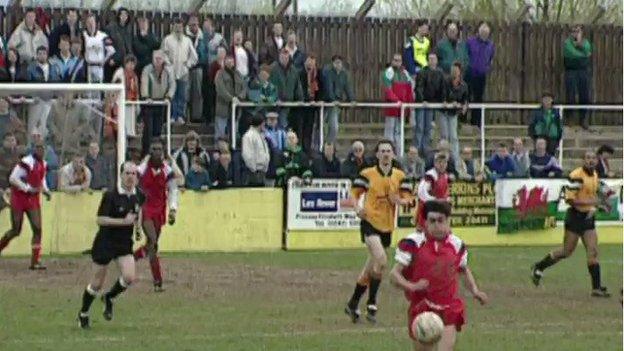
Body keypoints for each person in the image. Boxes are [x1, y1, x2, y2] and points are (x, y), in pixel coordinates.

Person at [390, 200, 488, 351]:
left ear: (449, 221)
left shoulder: (457, 245)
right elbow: (394, 275)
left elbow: (462, 270)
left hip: (449, 307)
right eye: (432, 221)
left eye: (441, 220)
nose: (437, 225)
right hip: (422, 307)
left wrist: (475, 291)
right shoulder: (413, 243)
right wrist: (412, 286)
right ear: (425, 223)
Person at [343, 140, 413, 324]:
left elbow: (409, 200)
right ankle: (372, 303)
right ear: (377, 155)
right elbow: (353, 194)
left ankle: (352, 303)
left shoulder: (399, 175)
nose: (386, 154)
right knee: (381, 260)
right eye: (382, 151)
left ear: (394, 154)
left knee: (369, 271)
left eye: (389, 151)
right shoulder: (367, 174)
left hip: (387, 226)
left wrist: (397, 199)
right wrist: (357, 209)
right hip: (370, 222)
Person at [531, 151, 611, 297]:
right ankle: (539, 266)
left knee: (593, 252)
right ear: (583, 160)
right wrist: (596, 203)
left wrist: (603, 203)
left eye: (593, 158)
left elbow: (595, 194)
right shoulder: (576, 175)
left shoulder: (594, 175)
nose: (591, 161)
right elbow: (571, 201)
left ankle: (596, 288)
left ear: (597, 161)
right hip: (575, 218)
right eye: (588, 158)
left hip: (587, 219)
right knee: (566, 252)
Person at [77, 161, 143, 329]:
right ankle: (83, 313)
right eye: (127, 173)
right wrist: (123, 222)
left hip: (123, 243)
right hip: (105, 242)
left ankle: (109, 297)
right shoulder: (110, 196)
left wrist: (137, 227)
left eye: (133, 174)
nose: (130, 177)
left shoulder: (139, 195)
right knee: (97, 283)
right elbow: (100, 219)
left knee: (129, 277)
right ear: (120, 175)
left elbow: (138, 210)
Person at [133, 139, 180, 292]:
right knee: (153, 241)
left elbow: (173, 190)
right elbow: (134, 185)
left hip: (160, 209)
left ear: (163, 151)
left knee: (151, 245)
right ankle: (157, 280)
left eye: (160, 149)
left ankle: (133, 257)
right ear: (150, 151)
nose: (157, 152)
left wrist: (173, 209)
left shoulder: (167, 170)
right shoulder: (141, 170)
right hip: (146, 208)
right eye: (154, 149)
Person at [0, 139, 51, 269]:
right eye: (38, 148)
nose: (41, 151)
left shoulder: (43, 164)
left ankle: (35, 261)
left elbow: (41, 179)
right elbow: (13, 178)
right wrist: (27, 188)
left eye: (43, 148)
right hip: (19, 197)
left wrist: (46, 191)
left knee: (37, 228)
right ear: (34, 149)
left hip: (33, 199)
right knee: (16, 229)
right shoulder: (26, 162)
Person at [161, 17, 198, 125]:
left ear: (183, 27)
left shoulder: (187, 40)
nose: (178, 29)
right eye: (176, 27)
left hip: (183, 72)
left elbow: (194, 57)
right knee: (172, 94)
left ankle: (181, 115)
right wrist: (168, 64)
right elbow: (163, 54)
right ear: (173, 27)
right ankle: (172, 115)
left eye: (180, 27)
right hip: (171, 71)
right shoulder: (167, 40)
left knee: (182, 95)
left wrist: (188, 65)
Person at [140, 50, 176, 155]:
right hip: (150, 103)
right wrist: (146, 97)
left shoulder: (168, 70)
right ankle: (146, 153)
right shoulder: (147, 69)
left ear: (163, 59)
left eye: (159, 58)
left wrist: (168, 97)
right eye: (155, 58)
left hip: (162, 102)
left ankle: (156, 152)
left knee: (158, 129)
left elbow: (172, 84)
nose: (157, 61)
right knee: (148, 130)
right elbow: (144, 82)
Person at [382, 53, 414, 156]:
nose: (397, 62)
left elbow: (410, 90)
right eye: (395, 60)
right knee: (389, 132)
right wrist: (396, 101)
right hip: (392, 108)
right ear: (392, 61)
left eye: (399, 60)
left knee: (399, 132)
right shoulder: (388, 72)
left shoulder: (405, 74)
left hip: (402, 108)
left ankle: (399, 154)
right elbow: (388, 90)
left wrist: (409, 105)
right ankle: (388, 153)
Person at [414, 53, 445, 158]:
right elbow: (419, 87)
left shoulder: (440, 73)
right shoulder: (422, 72)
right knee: (420, 127)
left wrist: (441, 101)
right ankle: (417, 150)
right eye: (430, 59)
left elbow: (442, 88)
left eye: (434, 59)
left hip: (432, 104)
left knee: (428, 128)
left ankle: (425, 150)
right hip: (422, 104)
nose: (432, 61)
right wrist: (422, 100)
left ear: (436, 60)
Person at [466, 21, 495, 128]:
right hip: (470, 73)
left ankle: (476, 122)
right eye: (482, 32)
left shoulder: (490, 45)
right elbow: (466, 54)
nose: (484, 34)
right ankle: (464, 120)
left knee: (478, 98)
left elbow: (490, 58)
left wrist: (486, 68)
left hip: (481, 75)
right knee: (467, 95)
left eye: (486, 33)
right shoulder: (471, 42)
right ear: (478, 31)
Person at [563, 25, 592, 130]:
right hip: (571, 70)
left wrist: (580, 45)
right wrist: (583, 53)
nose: (575, 33)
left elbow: (588, 53)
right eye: (573, 31)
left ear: (581, 32)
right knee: (570, 94)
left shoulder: (586, 43)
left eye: (577, 31)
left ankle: (583, 118)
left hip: (583, 71)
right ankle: (570, 117)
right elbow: (572, 53)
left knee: (584, 95)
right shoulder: (567, 43)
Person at [321, 55, 354, 144]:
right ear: (332, 63)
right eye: (336, 63)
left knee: (334, 127)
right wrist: (332, 99)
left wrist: (351, 100)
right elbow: (329, 87)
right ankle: (320, 145)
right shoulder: (328, 72)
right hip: (325, 102)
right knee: (320, 126)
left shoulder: (344, 74)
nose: (337, 65)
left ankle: (329, 144)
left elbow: (348, 87)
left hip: (336, 104)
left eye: (339, 63)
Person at [441, 61, 469, 164]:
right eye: (453, 70)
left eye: (457, 70)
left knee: (453, 136)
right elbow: (443, 95)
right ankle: (443, 157)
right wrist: (447, 102)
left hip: (453, 113)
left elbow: (465, 98)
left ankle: (455, 159)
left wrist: (464, 105)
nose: (455, 72)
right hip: (445, 112)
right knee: (445, 135)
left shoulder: (463, 85)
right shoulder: (446, 81)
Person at [416, 152, 451, 231]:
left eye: (444, 162)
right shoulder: (430, 176)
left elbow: (445, 191)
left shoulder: (445, 175)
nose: (442, 164)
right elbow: (421, 193)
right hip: (427, 210)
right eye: (439, 162)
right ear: (435, 163)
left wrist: (447, 199)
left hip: (440, 209)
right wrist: (435, 200)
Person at [214, 54, 246, 140]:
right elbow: (220, 89)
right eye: (227, 60)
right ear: (224, 61)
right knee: (220, 132)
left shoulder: (238, 74)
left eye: (231, 60)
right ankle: (218, 149)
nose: (230, 62)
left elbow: (244, 88)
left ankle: (232, 149)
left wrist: (239, 97)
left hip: (236, 108)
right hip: (223, 107)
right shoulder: (220, 73)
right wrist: (231, 98)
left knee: (234, 132)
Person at [270, 49, 303, 129]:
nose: (284, 59)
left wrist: (300, 99)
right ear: (279, 57)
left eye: (286, 58)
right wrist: (275, 99)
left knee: (285, 124)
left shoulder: (293, 70)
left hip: (289, 103)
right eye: (282, 57)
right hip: (275, 104)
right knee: (280, 124)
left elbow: (297, 86)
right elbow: (269, 86)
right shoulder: (273, 69)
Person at [112, 55, 140, 137]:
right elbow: (114, 86)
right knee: (120, 125)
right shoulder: (120, 72)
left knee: (129, 126)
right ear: (125, 63)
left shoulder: (135, 76)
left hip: (131, 103)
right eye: (129, 63)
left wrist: (137, 103)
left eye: (133, 64)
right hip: (120, 102)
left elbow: (136, 90)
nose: (131, 66)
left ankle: (128, 138)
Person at [83, 14, 115, 83]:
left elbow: (111, 50)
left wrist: (104, 60)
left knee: (99, 88)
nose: (90, 24)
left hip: (99, 67)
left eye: (92, 22)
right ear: (86, 24)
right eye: (88, 22)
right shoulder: (83, 35)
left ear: (96, 23)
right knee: (89, 90)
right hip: (88, 67)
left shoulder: (102, 36)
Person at [104, 7, 133, 83]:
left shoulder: (128, 30)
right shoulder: (111, 28)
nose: (124, 16)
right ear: (118, 16)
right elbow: (107, 45)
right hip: (112, 62)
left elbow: (128, 48)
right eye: (122, 14)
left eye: (126, 15)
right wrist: (112, 58)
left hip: (124, 63)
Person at [298, 54, 320, 155]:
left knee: (309, 128)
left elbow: (320, 90)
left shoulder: (317, 75)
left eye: (312, 61)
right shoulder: (300, 73)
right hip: (302, 106)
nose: (310, 64)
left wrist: (318, 100)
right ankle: (301, 148)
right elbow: (299, 88)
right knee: (301, 127)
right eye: (308, 61)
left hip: (312, 106)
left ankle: (308, 149)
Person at [185, 14, 205, 123]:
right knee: (185, 92)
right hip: (186, 67)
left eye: (196, 24)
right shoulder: (185, 37)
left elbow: (203, 52)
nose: (194, 26)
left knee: (197, 92)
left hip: (198, 67)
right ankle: (184, 115)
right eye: (192, 24)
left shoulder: (201, 37)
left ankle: (196, 116)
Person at [242, 114, 270, 187]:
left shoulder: (261, 135)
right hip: (254, 172)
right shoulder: (248, 136)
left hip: (262, 171)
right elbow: (247, 155)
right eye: (264, 123)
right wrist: (253, 169)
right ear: (260, 124)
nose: (265, 125)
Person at [206, 46, 227, 125]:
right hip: (214, 88)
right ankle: (211, 120)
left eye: (223, 53)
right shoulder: (213, 64)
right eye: (220, 53)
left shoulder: (226, 64)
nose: (221, 54)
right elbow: (210, 77)